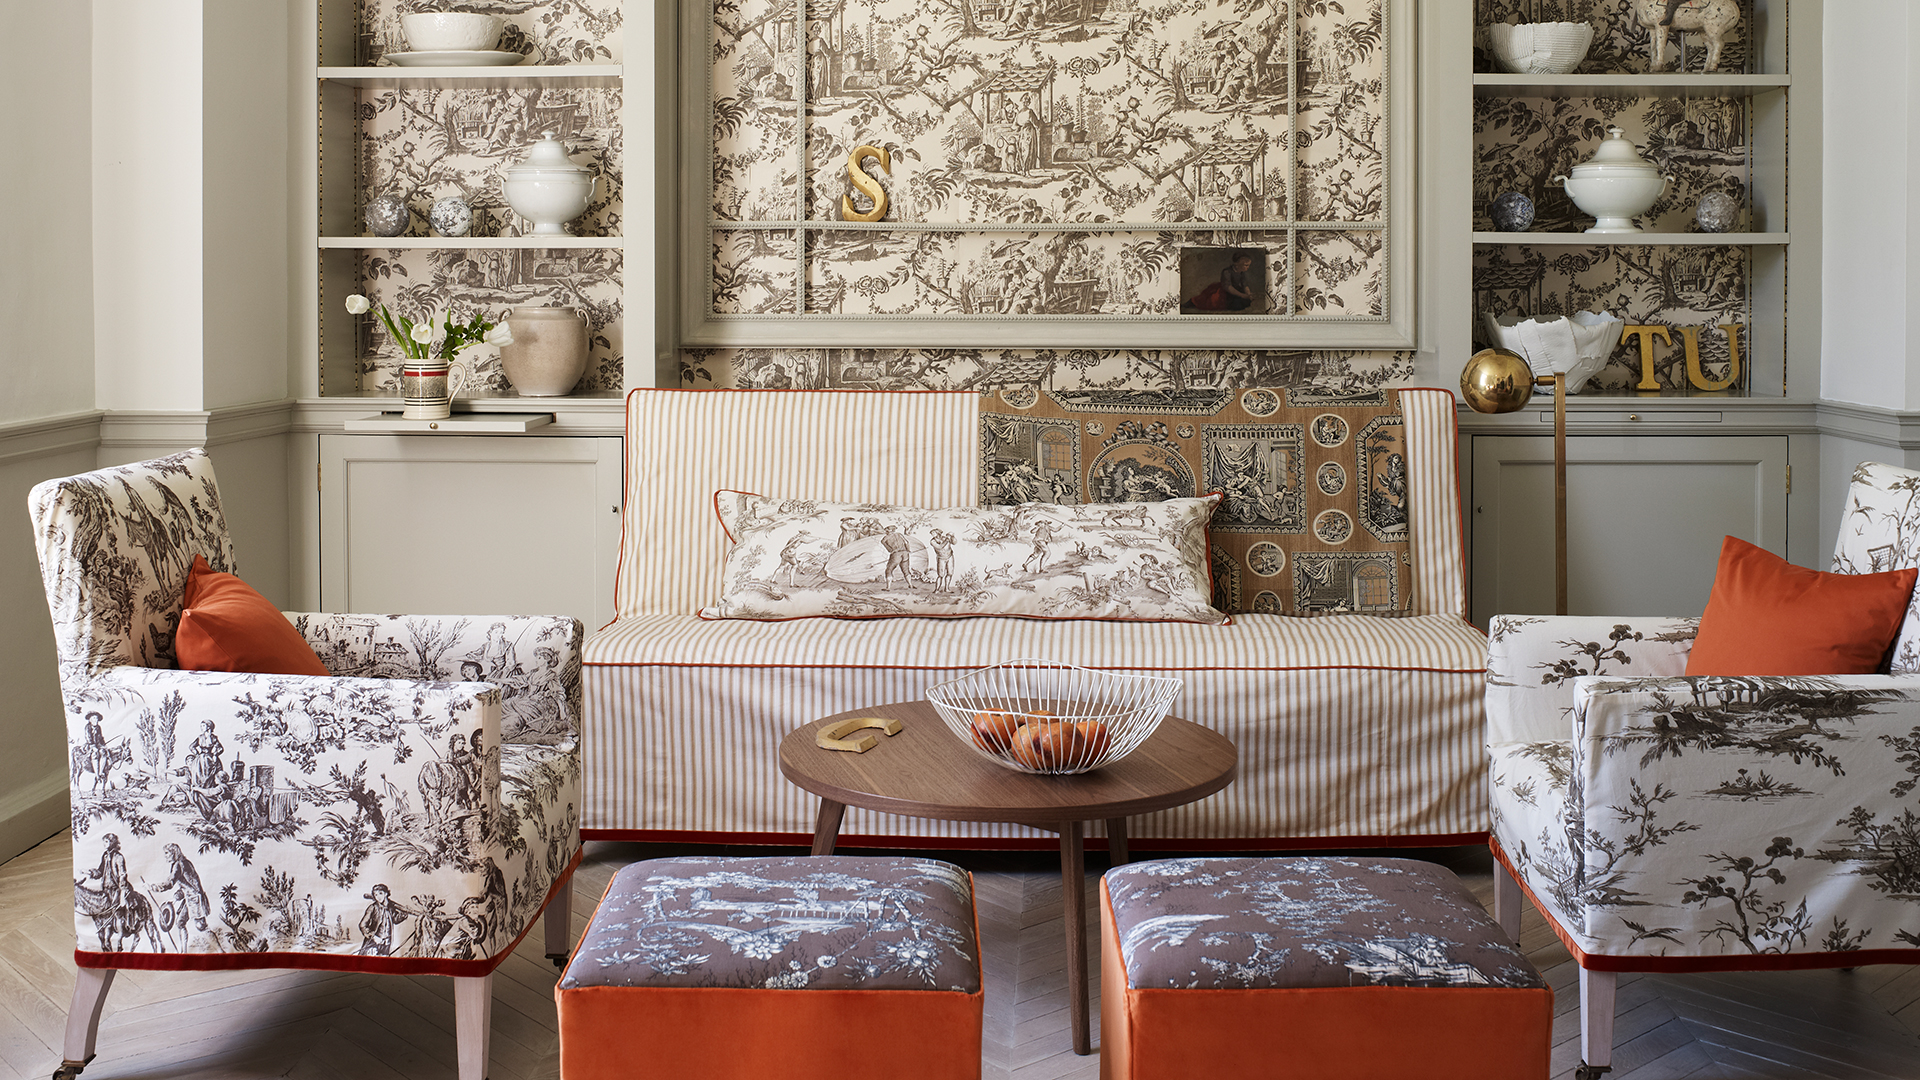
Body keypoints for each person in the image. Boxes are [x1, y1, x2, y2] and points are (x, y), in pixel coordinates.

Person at [157, 843, 209, 934]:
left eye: (167, 853)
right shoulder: (182, 863)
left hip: (195, 899)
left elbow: (170, 884)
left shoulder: (180, 864)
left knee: (200, 926)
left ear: (174, 853)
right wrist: (176, 897)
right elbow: (186, 885)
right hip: (190, 897)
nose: (165, 856)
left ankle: (215, 947)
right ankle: (183, 949)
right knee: (180, 923)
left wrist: (153, 887)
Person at [1187, 252, 1256, 311]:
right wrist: (1242, 295)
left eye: (1248, 265)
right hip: (1225, 291)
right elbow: (1228, 287)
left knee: (1246, 302)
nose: (1248, 267)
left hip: (1236, 290)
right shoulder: (1227, 271)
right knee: (1212, 302)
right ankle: (1191, 303)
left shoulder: (1241, 273)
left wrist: (1248, 294)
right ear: (1237, 265)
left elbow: (1244, 284)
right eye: (1246, 265)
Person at [358, 884, 410, 956]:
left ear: (386, 894)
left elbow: (395, 919)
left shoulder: (390, 907)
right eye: (375, 895)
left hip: (387, 941)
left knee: (383, 961)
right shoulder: (373, 907)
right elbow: (362, 924)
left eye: (380, 893)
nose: (378, 897)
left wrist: (403, 914)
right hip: (374, 941)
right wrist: (370, 934)